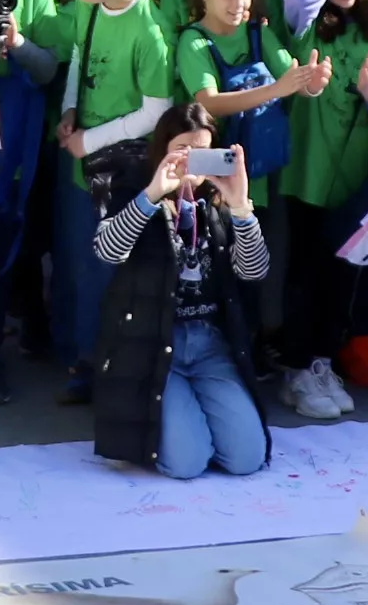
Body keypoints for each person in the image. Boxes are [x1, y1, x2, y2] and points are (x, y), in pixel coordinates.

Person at [87, 111, 274, 479]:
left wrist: (240, 205)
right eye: (181, 149)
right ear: (161, 151)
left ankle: (195, 415)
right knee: (186, 463)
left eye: (201, 151)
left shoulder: (217, 203)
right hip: (154, 342)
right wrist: (154, 193)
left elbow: (254, 271)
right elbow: (107, 251)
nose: (190, 160)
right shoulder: (136, 190)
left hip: (208, 343)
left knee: (247, 458)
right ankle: (179, 422)